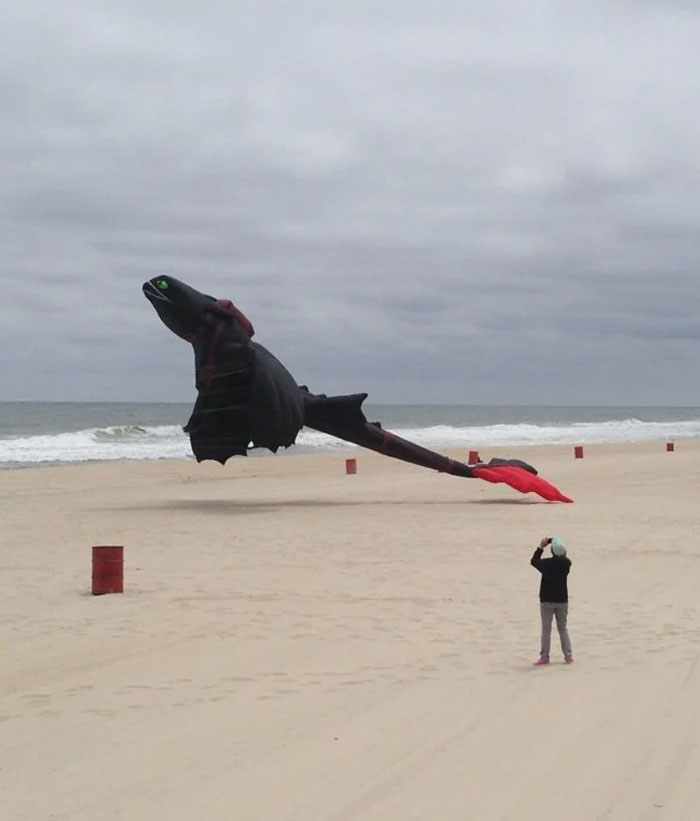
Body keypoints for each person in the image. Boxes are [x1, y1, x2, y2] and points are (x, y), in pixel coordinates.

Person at [530, 536, 573, 665]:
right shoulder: (566, 564)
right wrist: (556, 543)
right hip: (562, 600)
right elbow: (565, 557)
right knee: (563, 628)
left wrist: (541, 547)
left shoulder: (546, 564)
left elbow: (534, 561)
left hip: (547, 600)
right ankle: (568, 656)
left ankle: (544, 657)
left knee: (546, 629)